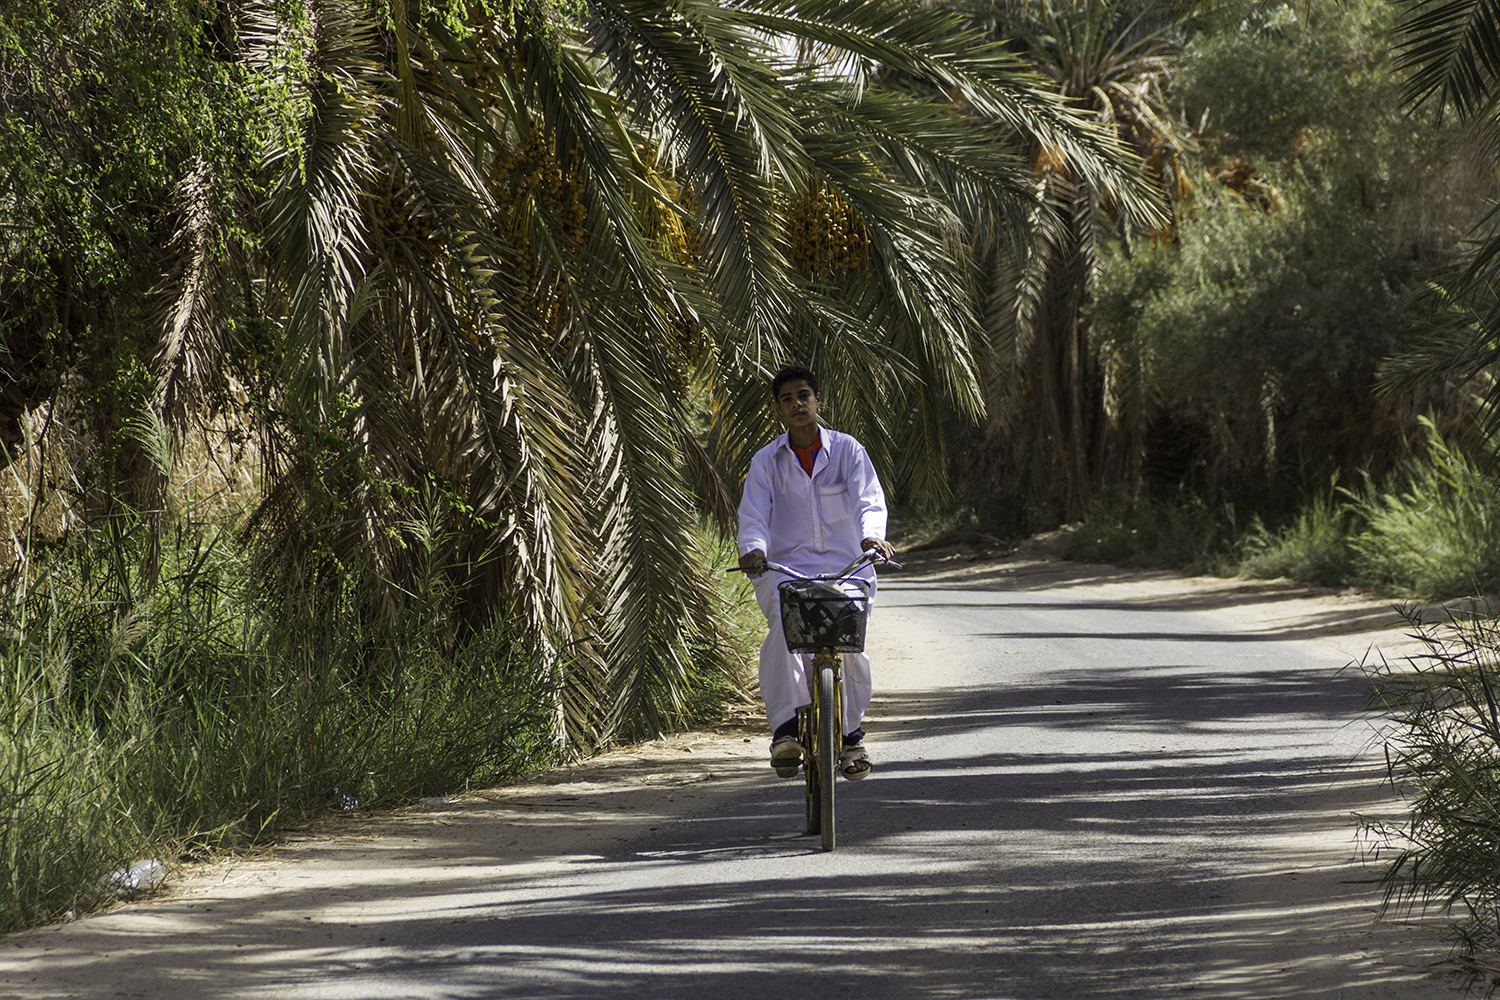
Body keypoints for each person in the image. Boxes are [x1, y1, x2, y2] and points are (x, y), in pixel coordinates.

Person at [737, 364, 895, 781]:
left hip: (847, 568)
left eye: (803, 395)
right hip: (785, 570)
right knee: (783, 637)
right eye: (787, 398)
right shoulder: (767, 461)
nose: (797, 404)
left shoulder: (848, 451)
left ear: (818, 400)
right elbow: (753, 514)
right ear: (778, 408)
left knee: (851, 647)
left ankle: (850, 735)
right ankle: (786, 732)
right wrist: (753, 550)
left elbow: (869, 502)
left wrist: (872, 539)